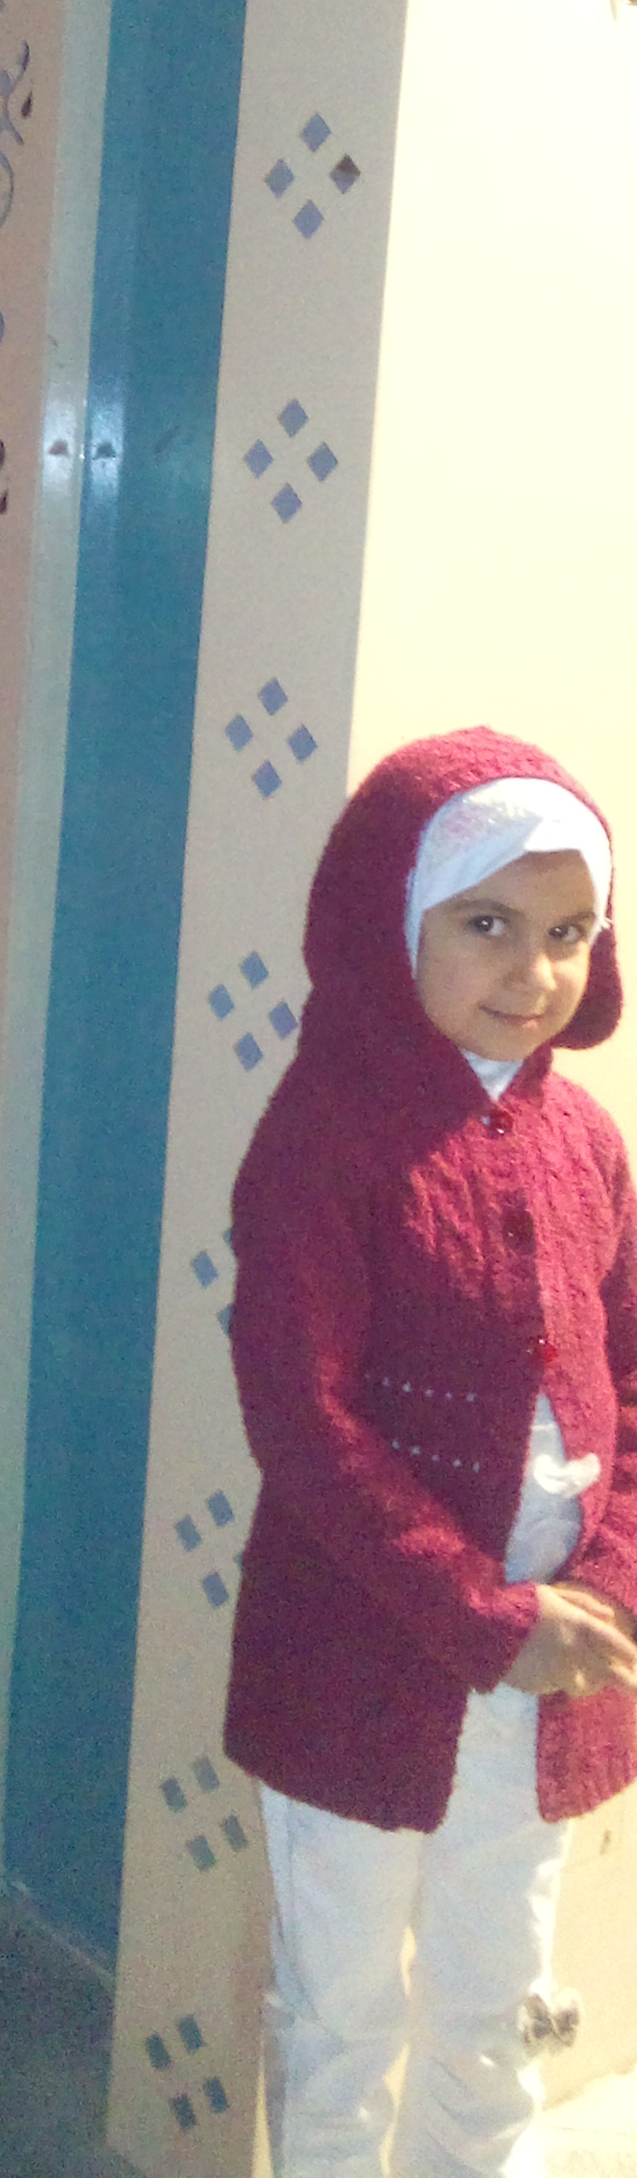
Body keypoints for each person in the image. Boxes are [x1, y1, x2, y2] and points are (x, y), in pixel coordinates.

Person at [226, 726, 637, 2178]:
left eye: (569, 933)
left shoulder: (588, 1144)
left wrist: (609, 1581)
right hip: (358, 1659)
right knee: (341, 2015)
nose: (534, 971)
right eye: (488, 925)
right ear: (390, 917)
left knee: (497, 2005)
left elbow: (632, 1379)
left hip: (548, 1676)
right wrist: (481, 1617)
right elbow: (303, 1417)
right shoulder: (323, 1135)